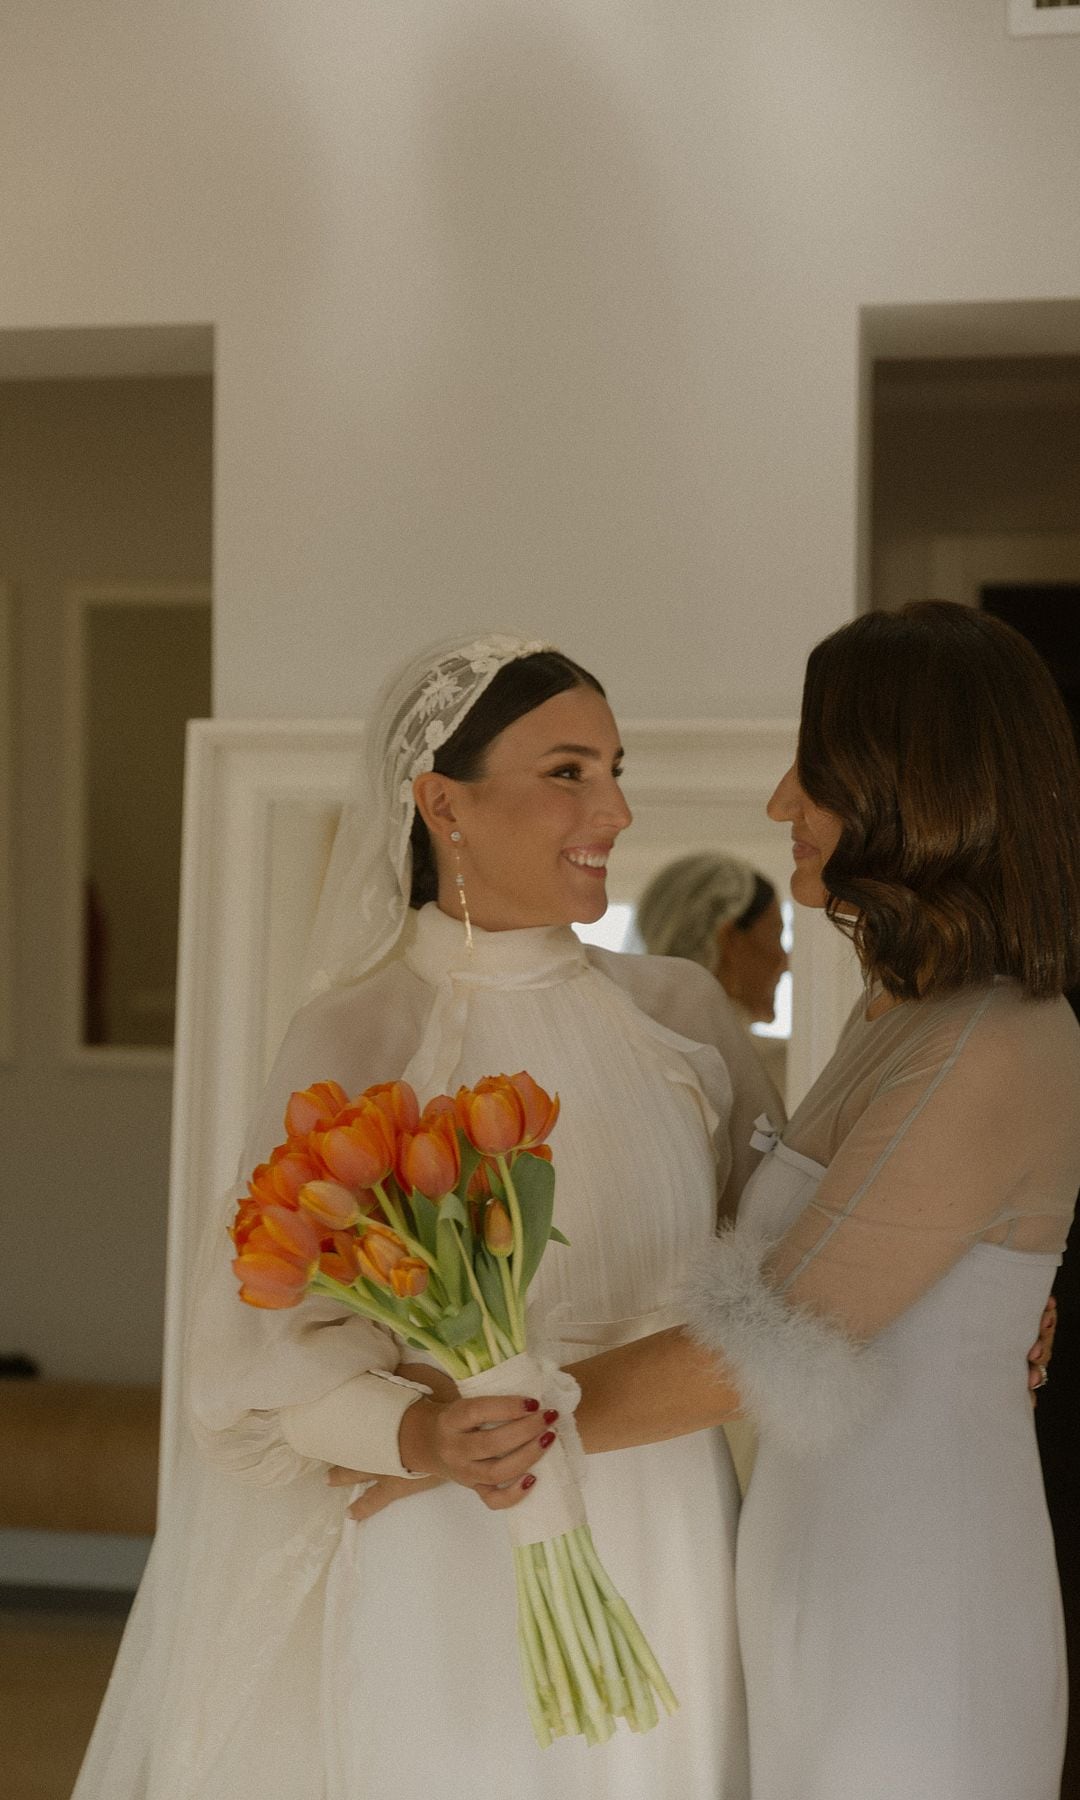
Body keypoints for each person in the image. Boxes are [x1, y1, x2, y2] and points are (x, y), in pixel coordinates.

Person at [72, 634, 779, 1800]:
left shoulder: (683, 1014)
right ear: (441, 802)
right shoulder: (360, 1034)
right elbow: (251, 1350)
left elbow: (796, 1259)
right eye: (570, 772)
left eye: (615, 768)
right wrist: (417, 1437)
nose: (617, 807)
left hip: (672, 1523)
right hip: (453, 1534)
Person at [444, 602, 1079, 1800]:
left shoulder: (993, 1040)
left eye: (818, 768)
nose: (783, 801)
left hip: (916, 1611)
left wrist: (455, 1436)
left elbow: (757, 1350)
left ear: (914, 785)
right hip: (819, 1569)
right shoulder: (899, 1014)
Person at [636, 853, 788, 1093]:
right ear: (730, 940)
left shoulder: (633, 1055)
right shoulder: (782, 1069)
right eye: (776, 935)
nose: (784, 961)